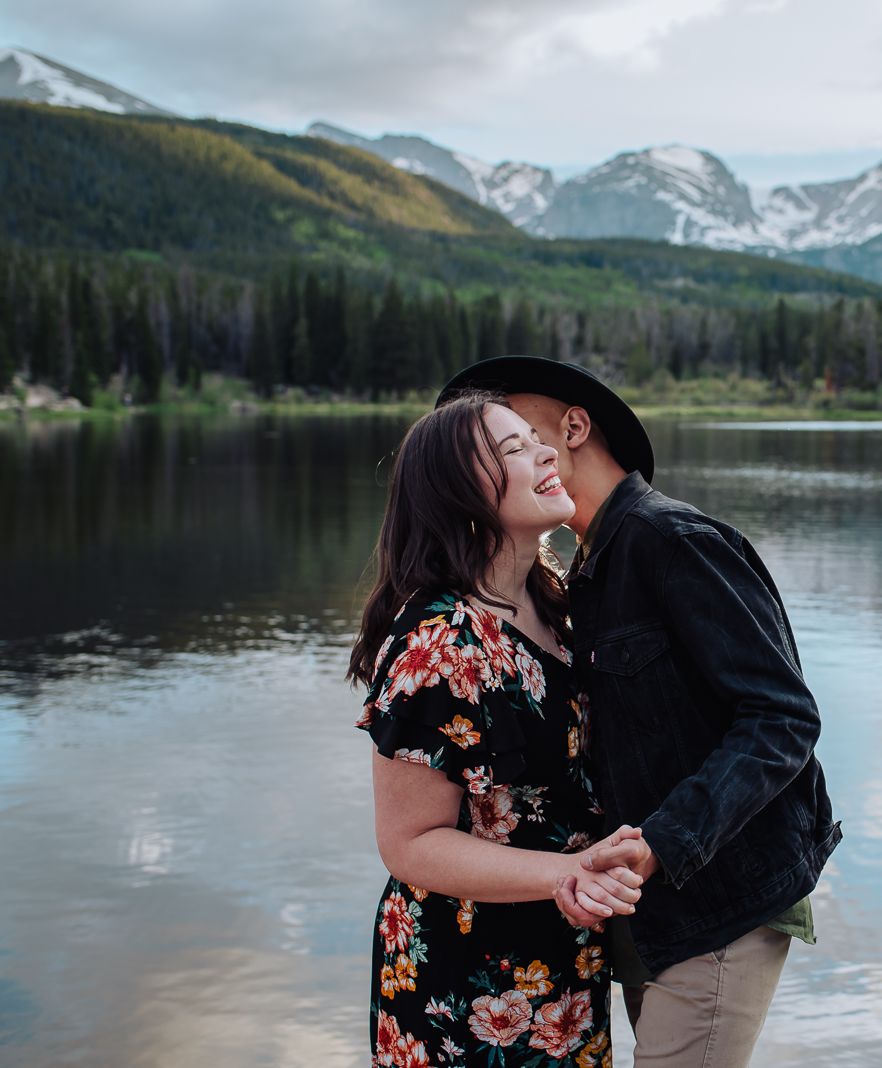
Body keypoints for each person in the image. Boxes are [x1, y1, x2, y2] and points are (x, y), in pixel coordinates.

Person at [436, 357, 842, 1068]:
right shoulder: (580, 574)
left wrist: (663, 839)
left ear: (574, 426)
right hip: (641, 912)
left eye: (521, 432)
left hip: (718, 901)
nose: (514, 453)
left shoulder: (671, 541)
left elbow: (782, 717)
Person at [347, 391, 652, 1068]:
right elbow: (409, 844)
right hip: (463, 981)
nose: (548, 451)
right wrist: (565, 873)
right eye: (515, 449)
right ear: (460, 492)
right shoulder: (441, 643)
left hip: (561, 960)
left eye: (536, 438)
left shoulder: (557, 605)